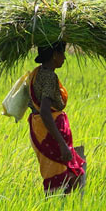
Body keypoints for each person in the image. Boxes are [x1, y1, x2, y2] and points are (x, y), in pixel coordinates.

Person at [26, 41, 86, 195]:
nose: (64, 58)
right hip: (49, 133)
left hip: (39, 129)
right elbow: (45, 111)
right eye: (62, 53)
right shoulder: (49, 77)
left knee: (68, 176)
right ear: (54, 55)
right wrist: (62, 144)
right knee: (60, 180)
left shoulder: (36, 73)